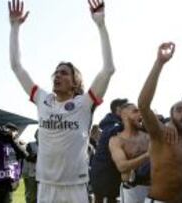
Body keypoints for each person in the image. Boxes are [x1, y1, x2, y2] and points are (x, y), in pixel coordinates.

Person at [8, 0, 115, 201]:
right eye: (56, 73)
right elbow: (16, 66)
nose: (57, 76)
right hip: (46, 187)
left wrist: (101, 24)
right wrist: (14, 28)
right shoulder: (42, 99)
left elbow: (108, 69)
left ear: (75, 83)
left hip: (75, 187)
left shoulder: (84, 104)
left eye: (64, 73)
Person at [138, 42, 182, 203]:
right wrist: (159, 63)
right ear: (171, 116)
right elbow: (143, 105)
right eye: (179, 110)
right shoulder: (161, 134)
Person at [109, 103, 150, 203]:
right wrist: (147, 155)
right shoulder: (117, 140)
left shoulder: (148, 137)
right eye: (135, 111)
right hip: (131, 191)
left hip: (152, 188)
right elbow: (122, 166)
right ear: (124, 115)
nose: (140, 114)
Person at [90, 98, 128, 203]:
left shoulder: (114, 123)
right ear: (118, 109)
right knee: (101, 199)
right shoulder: (112, 125)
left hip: (110, 171)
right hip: (103, 171)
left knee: (111, 199)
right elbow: (112, 133)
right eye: (126, 108)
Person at [0, 123, 27, 203]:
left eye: (13, 132)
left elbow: (24, 155)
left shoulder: (16, 144)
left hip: (9, 183)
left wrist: (13, 140)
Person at [22, 130, 39, 203]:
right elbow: (30, 157)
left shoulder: (48, 146)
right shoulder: (30, 145)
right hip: (31, 175)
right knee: (31, 197)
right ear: (36, 135)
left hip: (43, 176)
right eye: (39, 134)